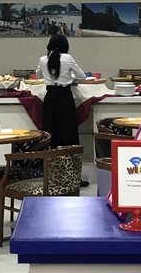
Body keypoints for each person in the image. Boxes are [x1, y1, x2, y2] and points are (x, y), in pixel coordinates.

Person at [36, 33, 89, 186]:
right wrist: (69, 78)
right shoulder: (67, 58)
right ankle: (73, 178)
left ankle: (52, 176)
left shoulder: (43, 59)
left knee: (51, 135)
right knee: (69, 136)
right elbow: (82, 76)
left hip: (50, 99)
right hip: (65, 98)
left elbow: (38, 75)